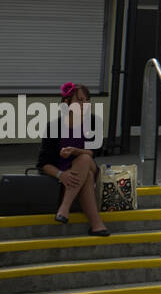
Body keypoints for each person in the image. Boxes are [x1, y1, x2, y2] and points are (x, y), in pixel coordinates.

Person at [36, 83, 110, 235]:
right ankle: (97, 225)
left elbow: (93, 152)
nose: (85, 104)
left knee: (83, 158)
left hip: (90, 166)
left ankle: (64, 207)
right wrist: (61, 175)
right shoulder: (54, 127)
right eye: (80, 101)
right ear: (66, 103)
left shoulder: (94, 123)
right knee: (86, 177)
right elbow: (43, 164)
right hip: (66, 175)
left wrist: (75, 151)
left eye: (87, 100)